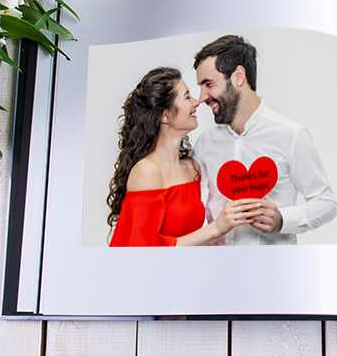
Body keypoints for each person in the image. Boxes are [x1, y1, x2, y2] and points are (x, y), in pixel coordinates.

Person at [193, 35, 337, 245]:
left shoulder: (291, 135)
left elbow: (326, 204)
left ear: (238, 76)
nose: (202, 97)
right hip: (216, 268)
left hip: (272, 270)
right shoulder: (205, 143)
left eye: (208, 84)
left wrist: (282, 219)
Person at [107, 67, 262, 246]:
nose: (196, 102)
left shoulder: (192, 168)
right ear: (165, 115)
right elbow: (144, 250)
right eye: (187, 97)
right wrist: (216, 228)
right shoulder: (147, 171)